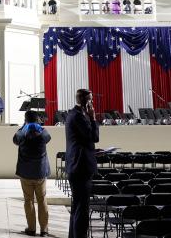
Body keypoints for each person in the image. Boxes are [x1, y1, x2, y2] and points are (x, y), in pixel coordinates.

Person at [66, 88, 99, 238]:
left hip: (77, 163)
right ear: (85, 101)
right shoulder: (79, 116)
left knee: (77, 207)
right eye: (90, 99)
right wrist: (93, 118)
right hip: (80, 166)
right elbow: (94, 137)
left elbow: (84, 140)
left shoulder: (74, 114)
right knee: (82, 209)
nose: (92, 102)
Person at [14, 110, 51, 237]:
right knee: (42, 200)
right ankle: (44, 230)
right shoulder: (43, 133)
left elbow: (15, 139)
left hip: (25, 173)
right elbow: (48, 137)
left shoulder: (22, 133)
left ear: (25, 120)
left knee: (28, 200)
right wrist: (39, 125)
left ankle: (31, 228)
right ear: (37, 120)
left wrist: (24, 126)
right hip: (40, 172)